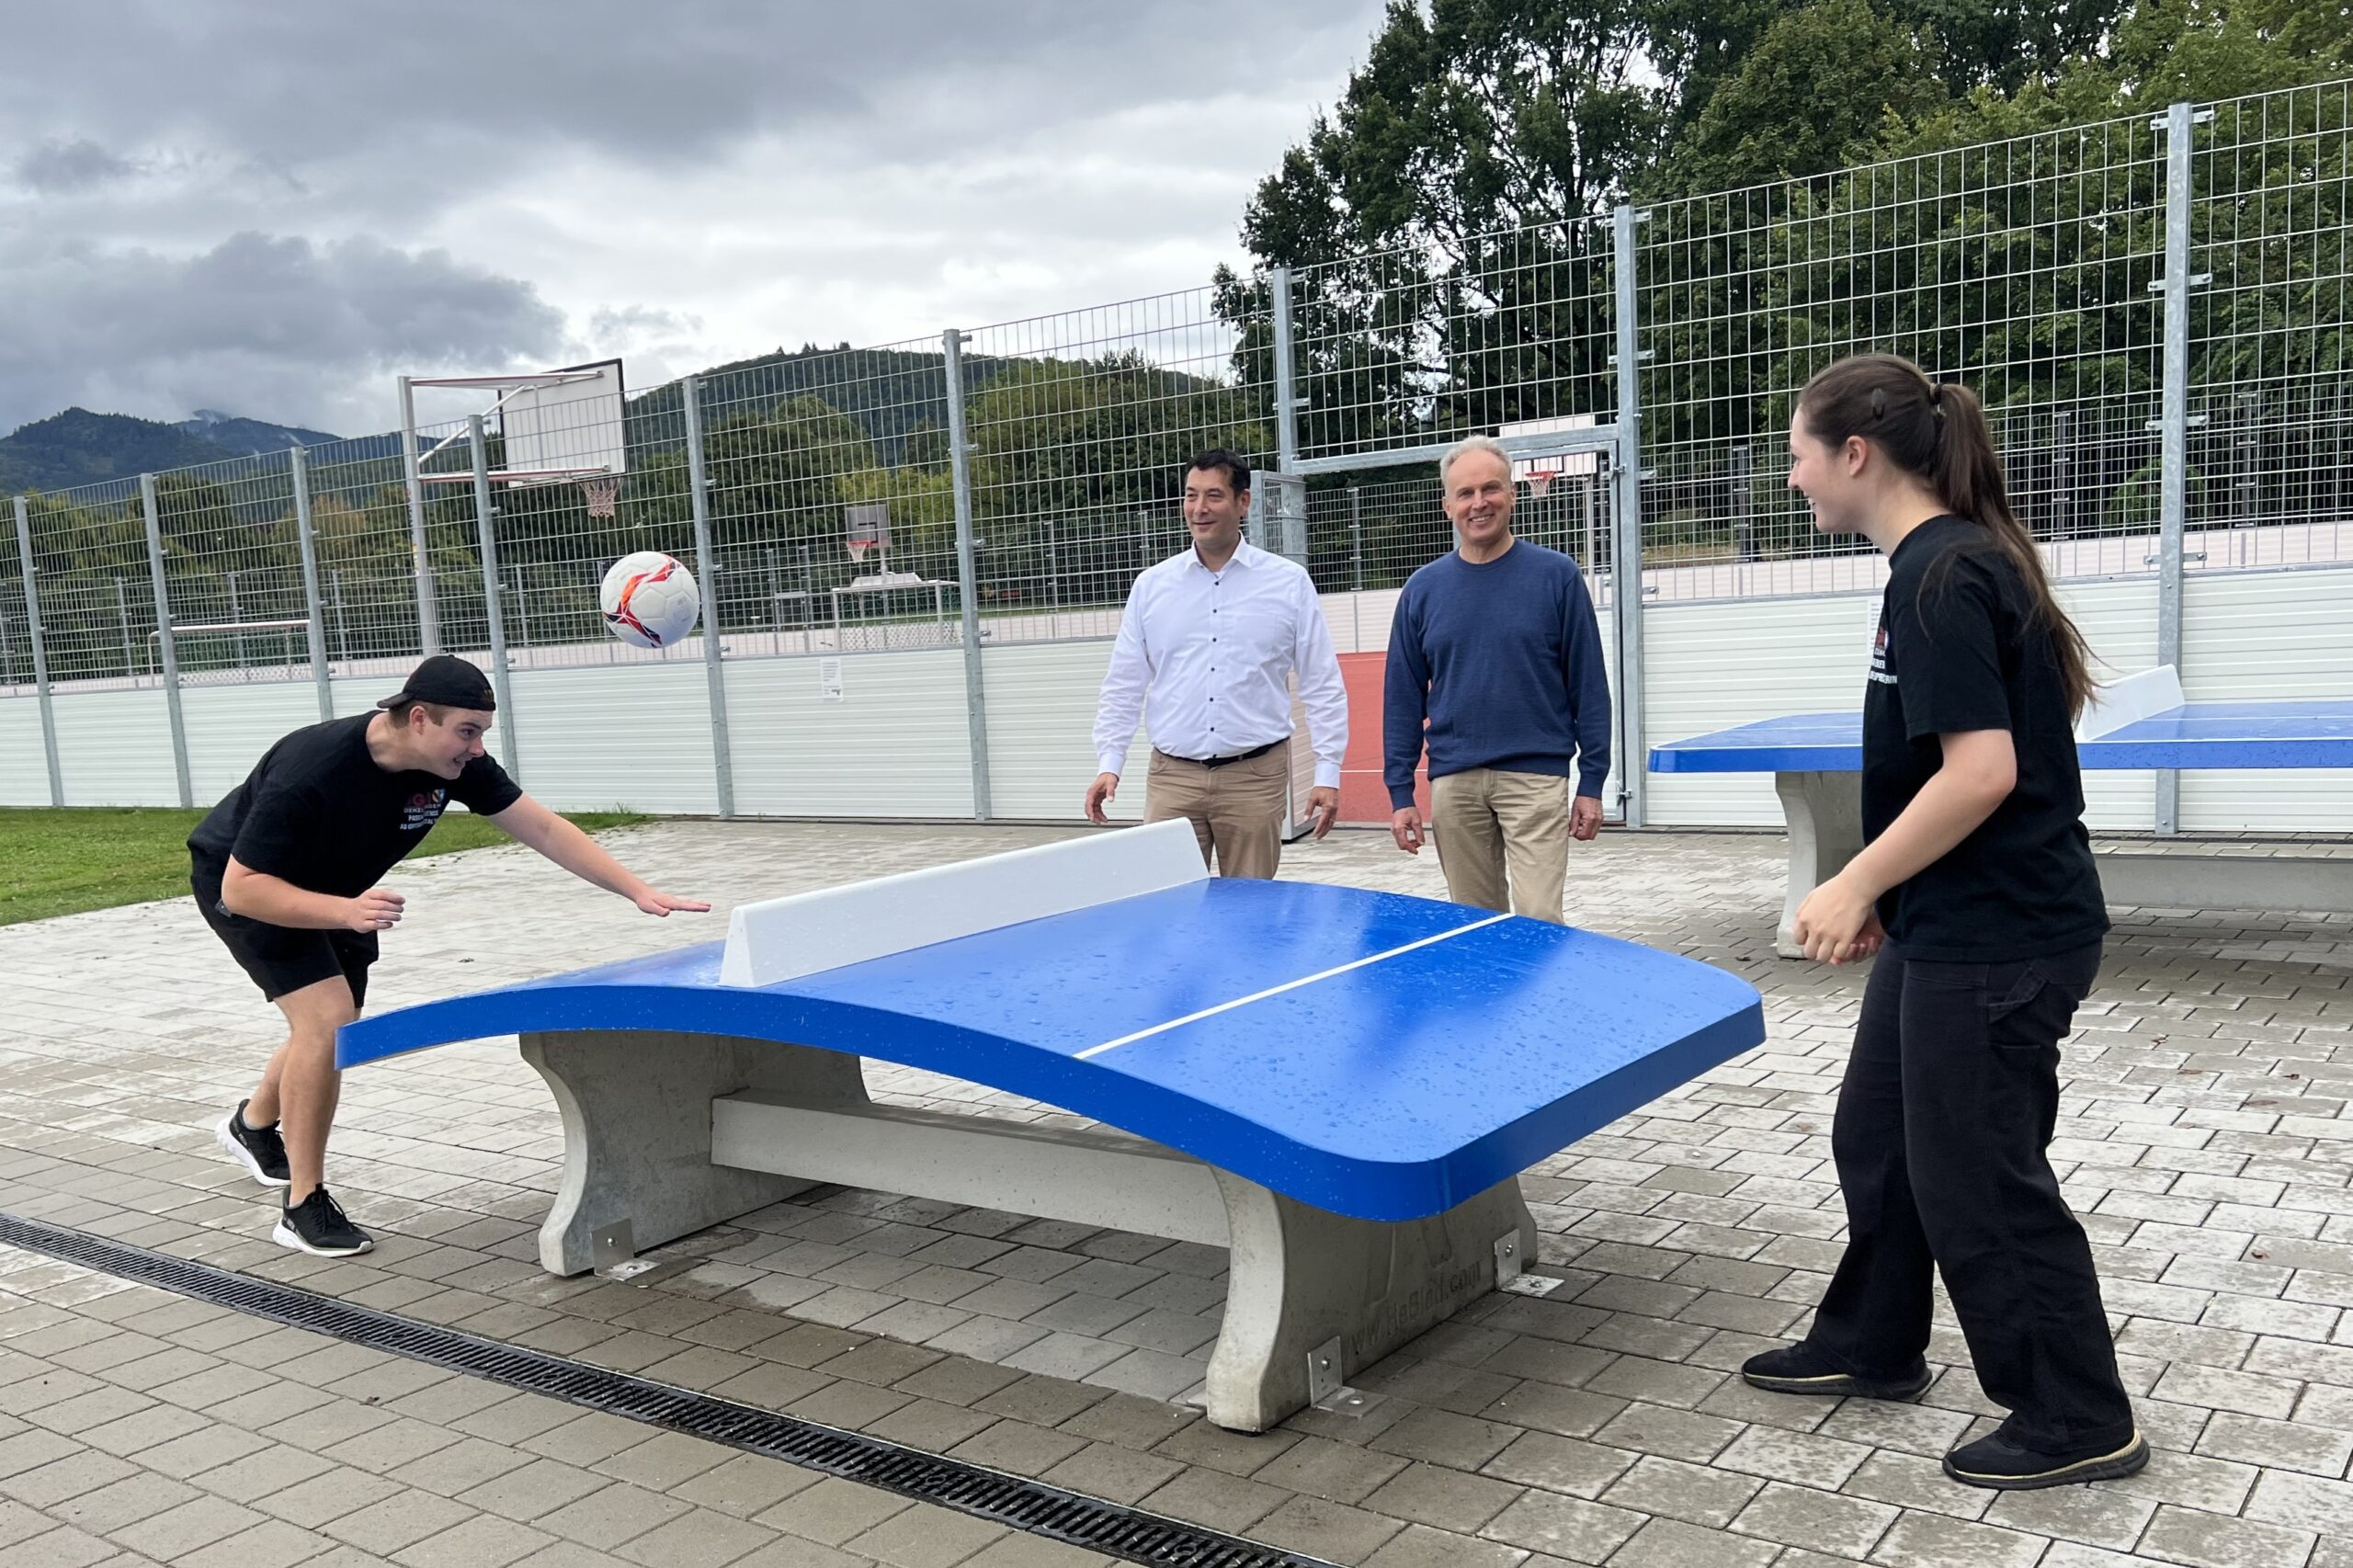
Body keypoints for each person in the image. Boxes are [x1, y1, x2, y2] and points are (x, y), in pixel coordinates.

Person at [1739, 354, 2146, 1491]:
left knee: (1978, 1172)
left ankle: (2076, 1411)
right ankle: (1874, 1341)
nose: (1792, 477)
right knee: (1877, 1135)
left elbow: (1980, 772)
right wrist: (1898, 893)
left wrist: (1853, 880)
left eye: (1797, 455)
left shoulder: (1943, 575)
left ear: (1853, 454)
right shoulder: (1932, 565)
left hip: (2003, 935)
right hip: (1948, 920)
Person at [192, 654, 709, 1258]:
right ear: (419, 719)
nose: (477, 748)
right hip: (254, 887)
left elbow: (542, 829)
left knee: (333, 1026)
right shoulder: (313, 767)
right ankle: (303, 1205)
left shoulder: (453, 762)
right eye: (468, 731)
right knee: (326, 1022)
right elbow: (242, 888)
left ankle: (253, 1126)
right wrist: (344, 912)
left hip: (343, 894)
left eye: (483, 732)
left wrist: (636, 890)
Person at [1086, 449, 1346, 876]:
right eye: (1191, 495)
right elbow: (1124, 683)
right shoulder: (1152, 587)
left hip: (1254, 778)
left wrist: (1328, 772)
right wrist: (1109, 763)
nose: (1199, 508)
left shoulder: (1287, 583)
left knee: (1251, 906)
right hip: (1172, 779)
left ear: (1243, 502)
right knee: (1169, 904)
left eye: (1213, 495)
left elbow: (1322, 683)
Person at [1382, 436, 1609, 922]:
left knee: (1539, 922)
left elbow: (1589, 686)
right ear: (1447, 505)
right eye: (1465, 493)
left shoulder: (1557, 577)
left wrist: (1592, 781)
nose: (1479, 502)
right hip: (1455, 782)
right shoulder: (1423, 590)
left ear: (1512, 494)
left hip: (1535, 779)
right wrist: (1401, 794)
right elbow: (1402, 698)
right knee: (1474, 928)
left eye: (1490, 488)